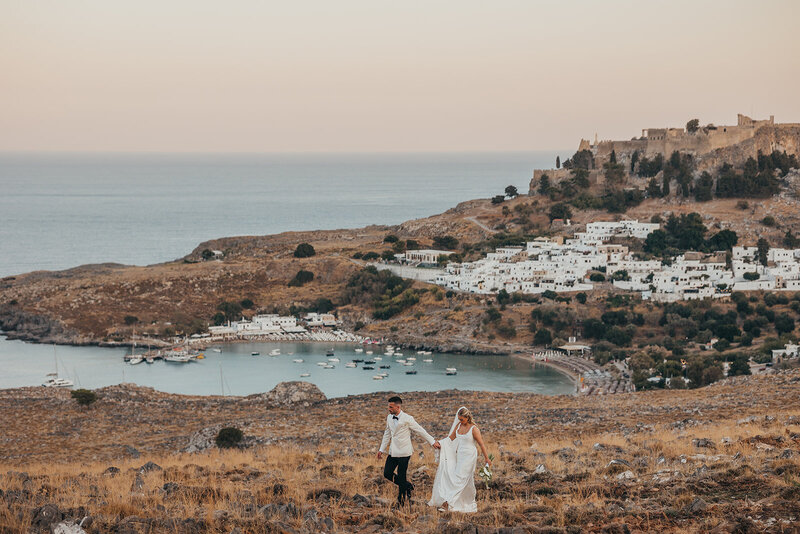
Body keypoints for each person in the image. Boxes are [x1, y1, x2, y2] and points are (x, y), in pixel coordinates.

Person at [377, 395, 439, 506]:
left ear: (398, 407)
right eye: (389, 407)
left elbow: (420, 430)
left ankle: (401, 502)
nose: (389, 409)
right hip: (393, 452)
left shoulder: (407, 418)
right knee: (387, 473)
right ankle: (407, 486)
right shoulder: (389, 418)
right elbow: (387, 434)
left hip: (404, 452)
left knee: (401, 475)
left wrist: (432, 441)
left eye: (391, 407)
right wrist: (381, 449)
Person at [428, 406, 491, 513]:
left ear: (467, 417)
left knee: (460, 478)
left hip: (470, 456)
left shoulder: (474, 429)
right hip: (460, 455)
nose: (460, 421)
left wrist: (486, 458)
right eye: (459, 419)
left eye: (462, 419)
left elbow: (481, 444)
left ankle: (448, 503)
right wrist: (440, 443)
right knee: (461, 478)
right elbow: (450, 439)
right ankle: (463, 502)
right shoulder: (458, 426)